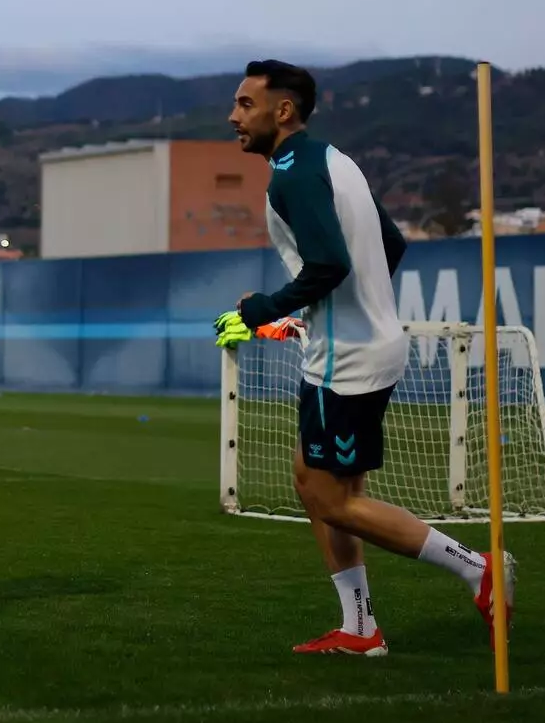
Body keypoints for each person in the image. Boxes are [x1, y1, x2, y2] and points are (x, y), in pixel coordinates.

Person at [216, 60, 516, 656]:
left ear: (283, 111)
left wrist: (265, 308)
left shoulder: (293, 176)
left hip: (345, 361)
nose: (233, 116)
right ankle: (359, 628)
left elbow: (329, 264)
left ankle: (477, 568)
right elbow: (391, 243)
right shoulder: (335, 160)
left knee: (333, 500)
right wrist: (354, 307)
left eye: (246, 104)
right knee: (314, 482)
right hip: (360, 345)